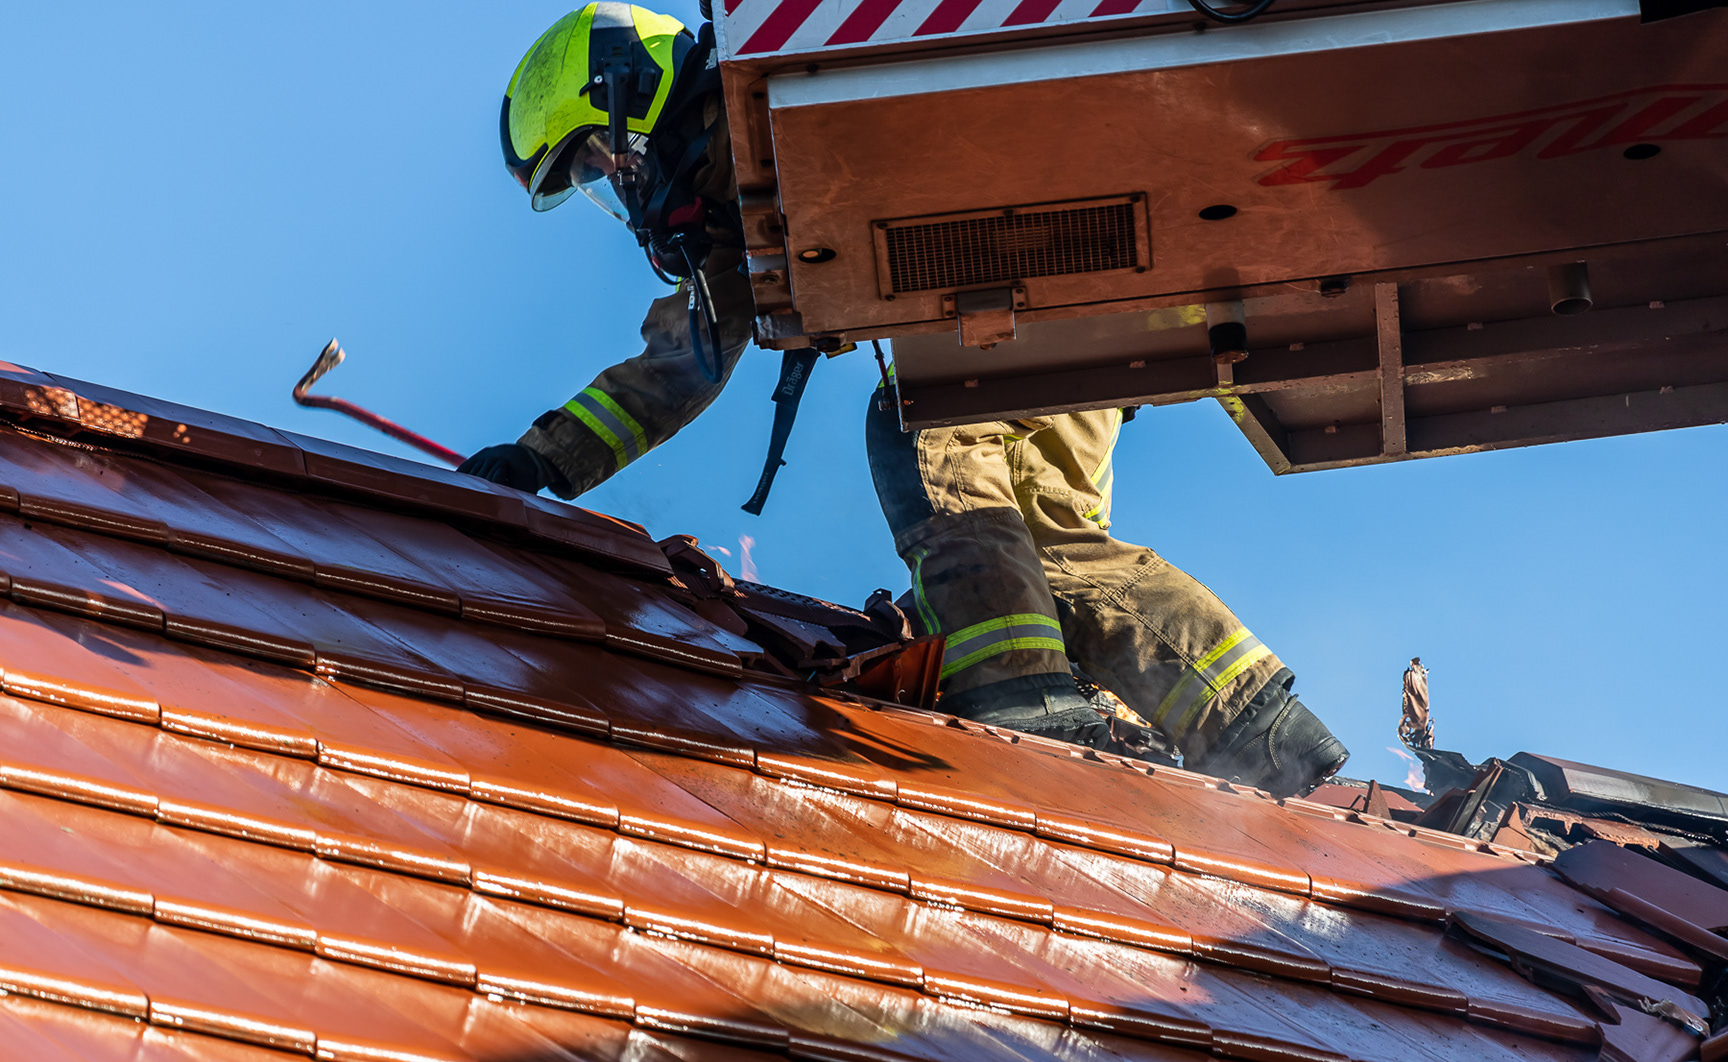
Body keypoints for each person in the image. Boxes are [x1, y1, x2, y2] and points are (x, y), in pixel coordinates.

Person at [466, 2, 1349, 796]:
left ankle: (1028, 709)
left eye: (597, 154)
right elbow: (680, 364)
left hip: (1028, 283)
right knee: (1050, 551)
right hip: (1089, 309)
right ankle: (1262, 732)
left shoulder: (760, 104)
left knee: (919, 426)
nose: (614, 181)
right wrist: (542, 461)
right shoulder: (729, 191)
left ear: (630, 92)